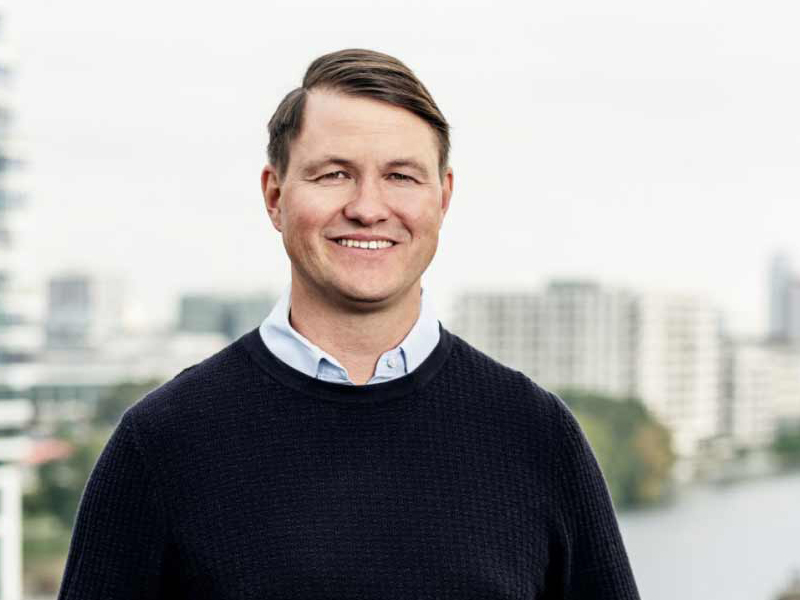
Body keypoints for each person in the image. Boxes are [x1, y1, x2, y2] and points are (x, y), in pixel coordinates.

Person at [57, 49, 641, 599]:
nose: (367, 207)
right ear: (275, 196)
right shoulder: (162, 443)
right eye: (334, 174)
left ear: (443, 198)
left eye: (401, 176)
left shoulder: (537, 435)